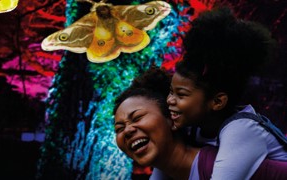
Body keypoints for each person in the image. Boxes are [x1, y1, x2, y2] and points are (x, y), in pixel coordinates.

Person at [166, 7, 287, 180]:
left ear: (217, 102)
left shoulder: (242, 129)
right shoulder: (192, 129)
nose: (170, 100)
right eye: (170, 92)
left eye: (181, 94)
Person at [113, 67, 287, 180]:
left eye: (137, 118)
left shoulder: (229, 149)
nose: (127, 130)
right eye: (119, 128)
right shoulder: (168, 169)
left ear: (172, 120)